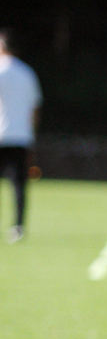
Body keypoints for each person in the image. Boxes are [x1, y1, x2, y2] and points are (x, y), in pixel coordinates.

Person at [0, 29, 41, 243]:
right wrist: (31, 135)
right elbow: (35, 108)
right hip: (20, 136)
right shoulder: (27, 73)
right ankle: (18, 226)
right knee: (18, 184)